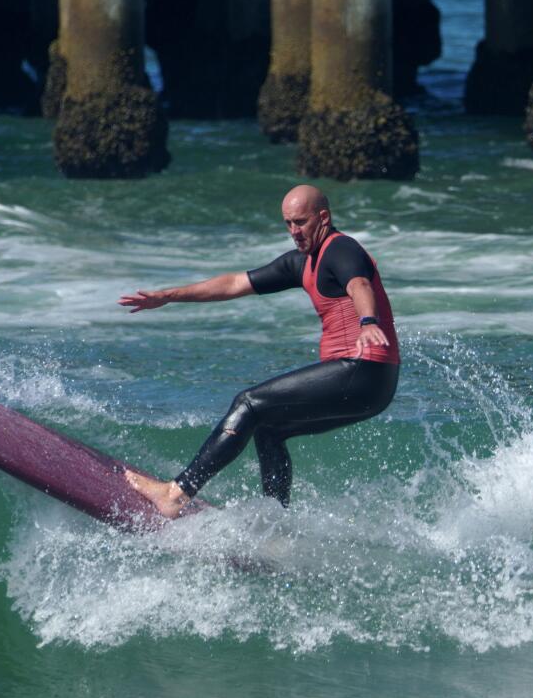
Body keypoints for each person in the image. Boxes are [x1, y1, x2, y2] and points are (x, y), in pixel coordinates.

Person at [117, 185, 400, 518]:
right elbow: (235, 283)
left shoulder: (342, 249)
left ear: (323, 217)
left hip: (362, 367)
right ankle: (276, 526)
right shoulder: (302, 263)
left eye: (301, 222)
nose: (294, 231)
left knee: (248, 403)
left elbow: (359, 285)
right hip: (372, 385)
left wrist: (368, 320)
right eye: (288, 224)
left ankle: (176, 494)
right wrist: (170, 295)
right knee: (269, 429)